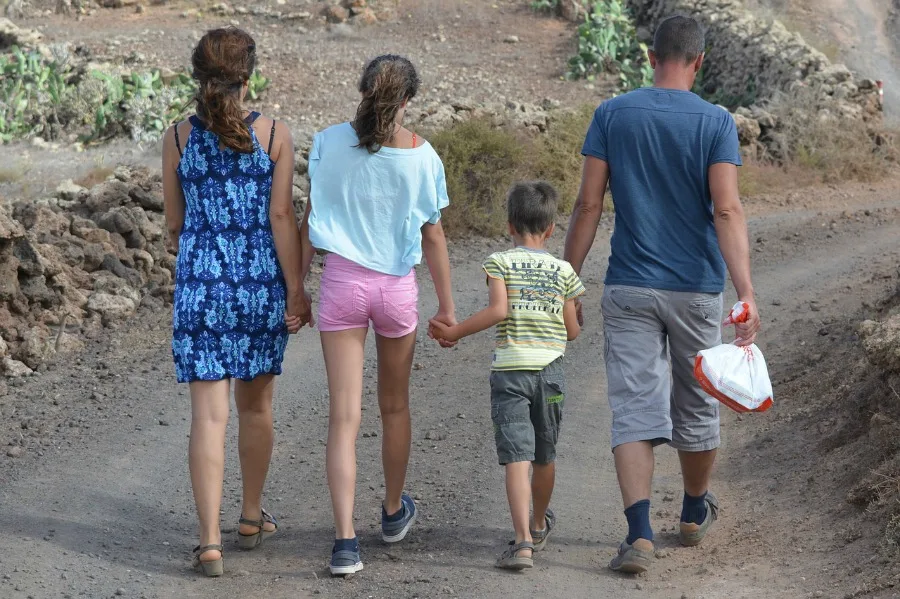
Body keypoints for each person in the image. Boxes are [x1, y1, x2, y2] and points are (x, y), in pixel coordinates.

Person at [562, 15, 762, 574]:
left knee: (634, 406)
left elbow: (587, 205)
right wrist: (744, 290)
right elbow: (726, 208)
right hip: (696, 288)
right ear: (699, 61)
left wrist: (566, 279)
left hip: (629, 284)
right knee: (697, 401)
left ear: (651, 57)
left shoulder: (612, 113)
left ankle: (639, 534)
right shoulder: (716, 122)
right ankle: (695, 512)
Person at [162, 27, 311, 577]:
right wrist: (296, 287)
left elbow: (174, 225)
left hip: (201, 286)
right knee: (256, 408)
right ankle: (249, 517)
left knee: (207, 417)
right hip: (257, 286)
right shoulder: (274, 135)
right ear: (248, 76)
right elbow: (279, 218)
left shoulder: (177, 138)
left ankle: (208, 542)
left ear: (198, 76)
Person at [300, 54, 456, 576]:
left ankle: (345, 543)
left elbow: (309, 222)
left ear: (362, 90)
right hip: (396, 290)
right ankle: (392, 513)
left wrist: (296, 289)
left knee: (344, 416)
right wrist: (449, 307)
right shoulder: (423, 155)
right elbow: (433, 236)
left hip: (342, 284)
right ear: (408, 100)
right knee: (395, 407)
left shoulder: (326, 143)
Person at [430, 181, 584, 570]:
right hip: (550, 373)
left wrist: (456, 331)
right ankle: (538, 522)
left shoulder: (499, 262)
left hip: (510, 372)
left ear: (510, 225)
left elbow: (499, 311)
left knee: (518, 457)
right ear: (551, 229)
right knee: (545, 455)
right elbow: (572, 331)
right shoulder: (564, 270)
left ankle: (522, 543)